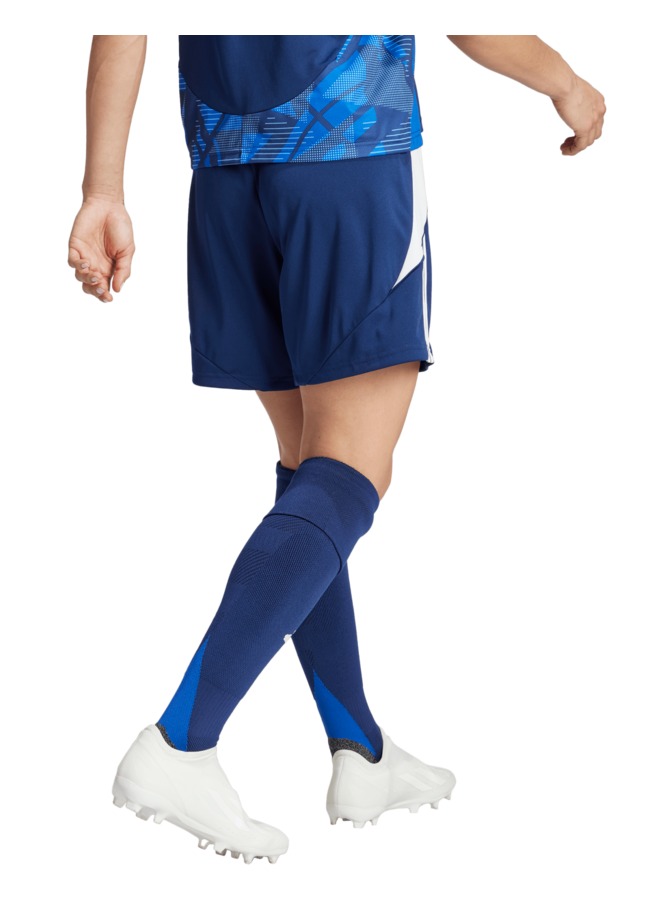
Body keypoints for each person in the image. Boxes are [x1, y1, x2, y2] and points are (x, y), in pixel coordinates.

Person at [67, 35, 605, 866]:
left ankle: (361, 750)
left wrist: (102, 188)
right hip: (348, 156)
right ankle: (181, 740)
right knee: (349, 472)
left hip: (225, 177)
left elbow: (123, 19)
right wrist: (566, 85)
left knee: (310, 472)